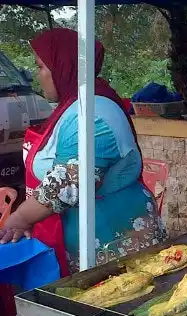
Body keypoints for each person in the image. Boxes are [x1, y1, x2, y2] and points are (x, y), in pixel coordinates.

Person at [0, 28, 166, 275]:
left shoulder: (94, 114)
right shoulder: (76, 105)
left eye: (41, 67)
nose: (38, 76)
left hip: (118, 241)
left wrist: (21, 217)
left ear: (63, 66)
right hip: (91, 239)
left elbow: (69, 182)